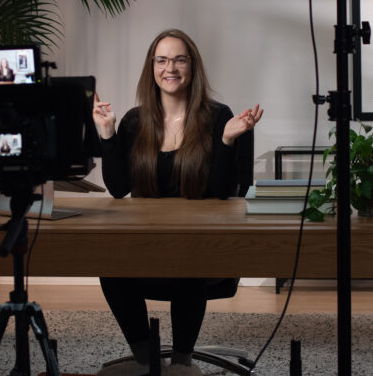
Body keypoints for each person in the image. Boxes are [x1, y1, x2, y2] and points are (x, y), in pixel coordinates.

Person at [91, 29, 263, 376]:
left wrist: (228, 141)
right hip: (147, 243)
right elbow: (118, 188)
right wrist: (106, 133)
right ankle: (142, 359)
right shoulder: (134, 121)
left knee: (187, 261)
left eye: (179, 59)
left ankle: (182, 363)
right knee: (111, 269)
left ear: (192, 66)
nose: (170, 67)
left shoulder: (219, 118)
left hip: (202, 247)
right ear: (152, 68)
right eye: (162, 60)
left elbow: (223, 194)